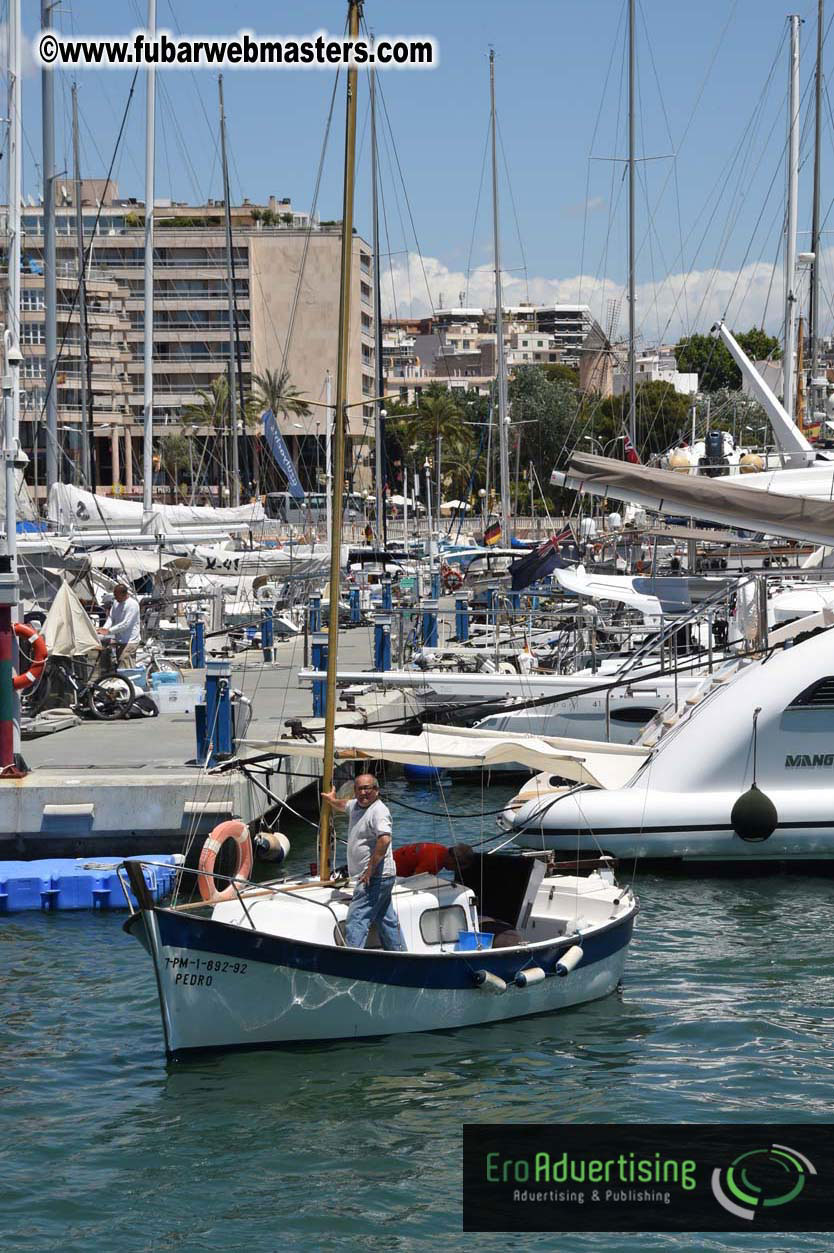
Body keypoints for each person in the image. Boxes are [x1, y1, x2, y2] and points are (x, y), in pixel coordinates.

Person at [322, 774, 406, 952]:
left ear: (377, 790)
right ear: (355, 791)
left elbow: (384, 840)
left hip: (375, 877)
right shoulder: (356, 806)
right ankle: (400, 955)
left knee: (357, 919)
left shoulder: (379, 811)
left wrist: (369, 870)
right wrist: (332, 800)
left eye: (368, 788)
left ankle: (352, 959)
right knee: (385, 918)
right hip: (379, 877)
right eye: (359, 789)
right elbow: (344, 805)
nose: (364, 792)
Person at [98, 583, 141, 666]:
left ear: (123, 594)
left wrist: (109, 631)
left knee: (125, 664)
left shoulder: (132, 605)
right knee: (120, 661)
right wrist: (104, 628)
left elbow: (125, 624)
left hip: (130, 640)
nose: (115, 597)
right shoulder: (115, 603)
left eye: (117, 595)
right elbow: (111, 617)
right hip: (120, 639)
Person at [393, 842, 475, 879]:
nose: (453, 870)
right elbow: (414, 882)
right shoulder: (433, 862)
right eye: (456, 868)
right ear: (452, 861)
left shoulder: (441, 849)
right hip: (390, 872)